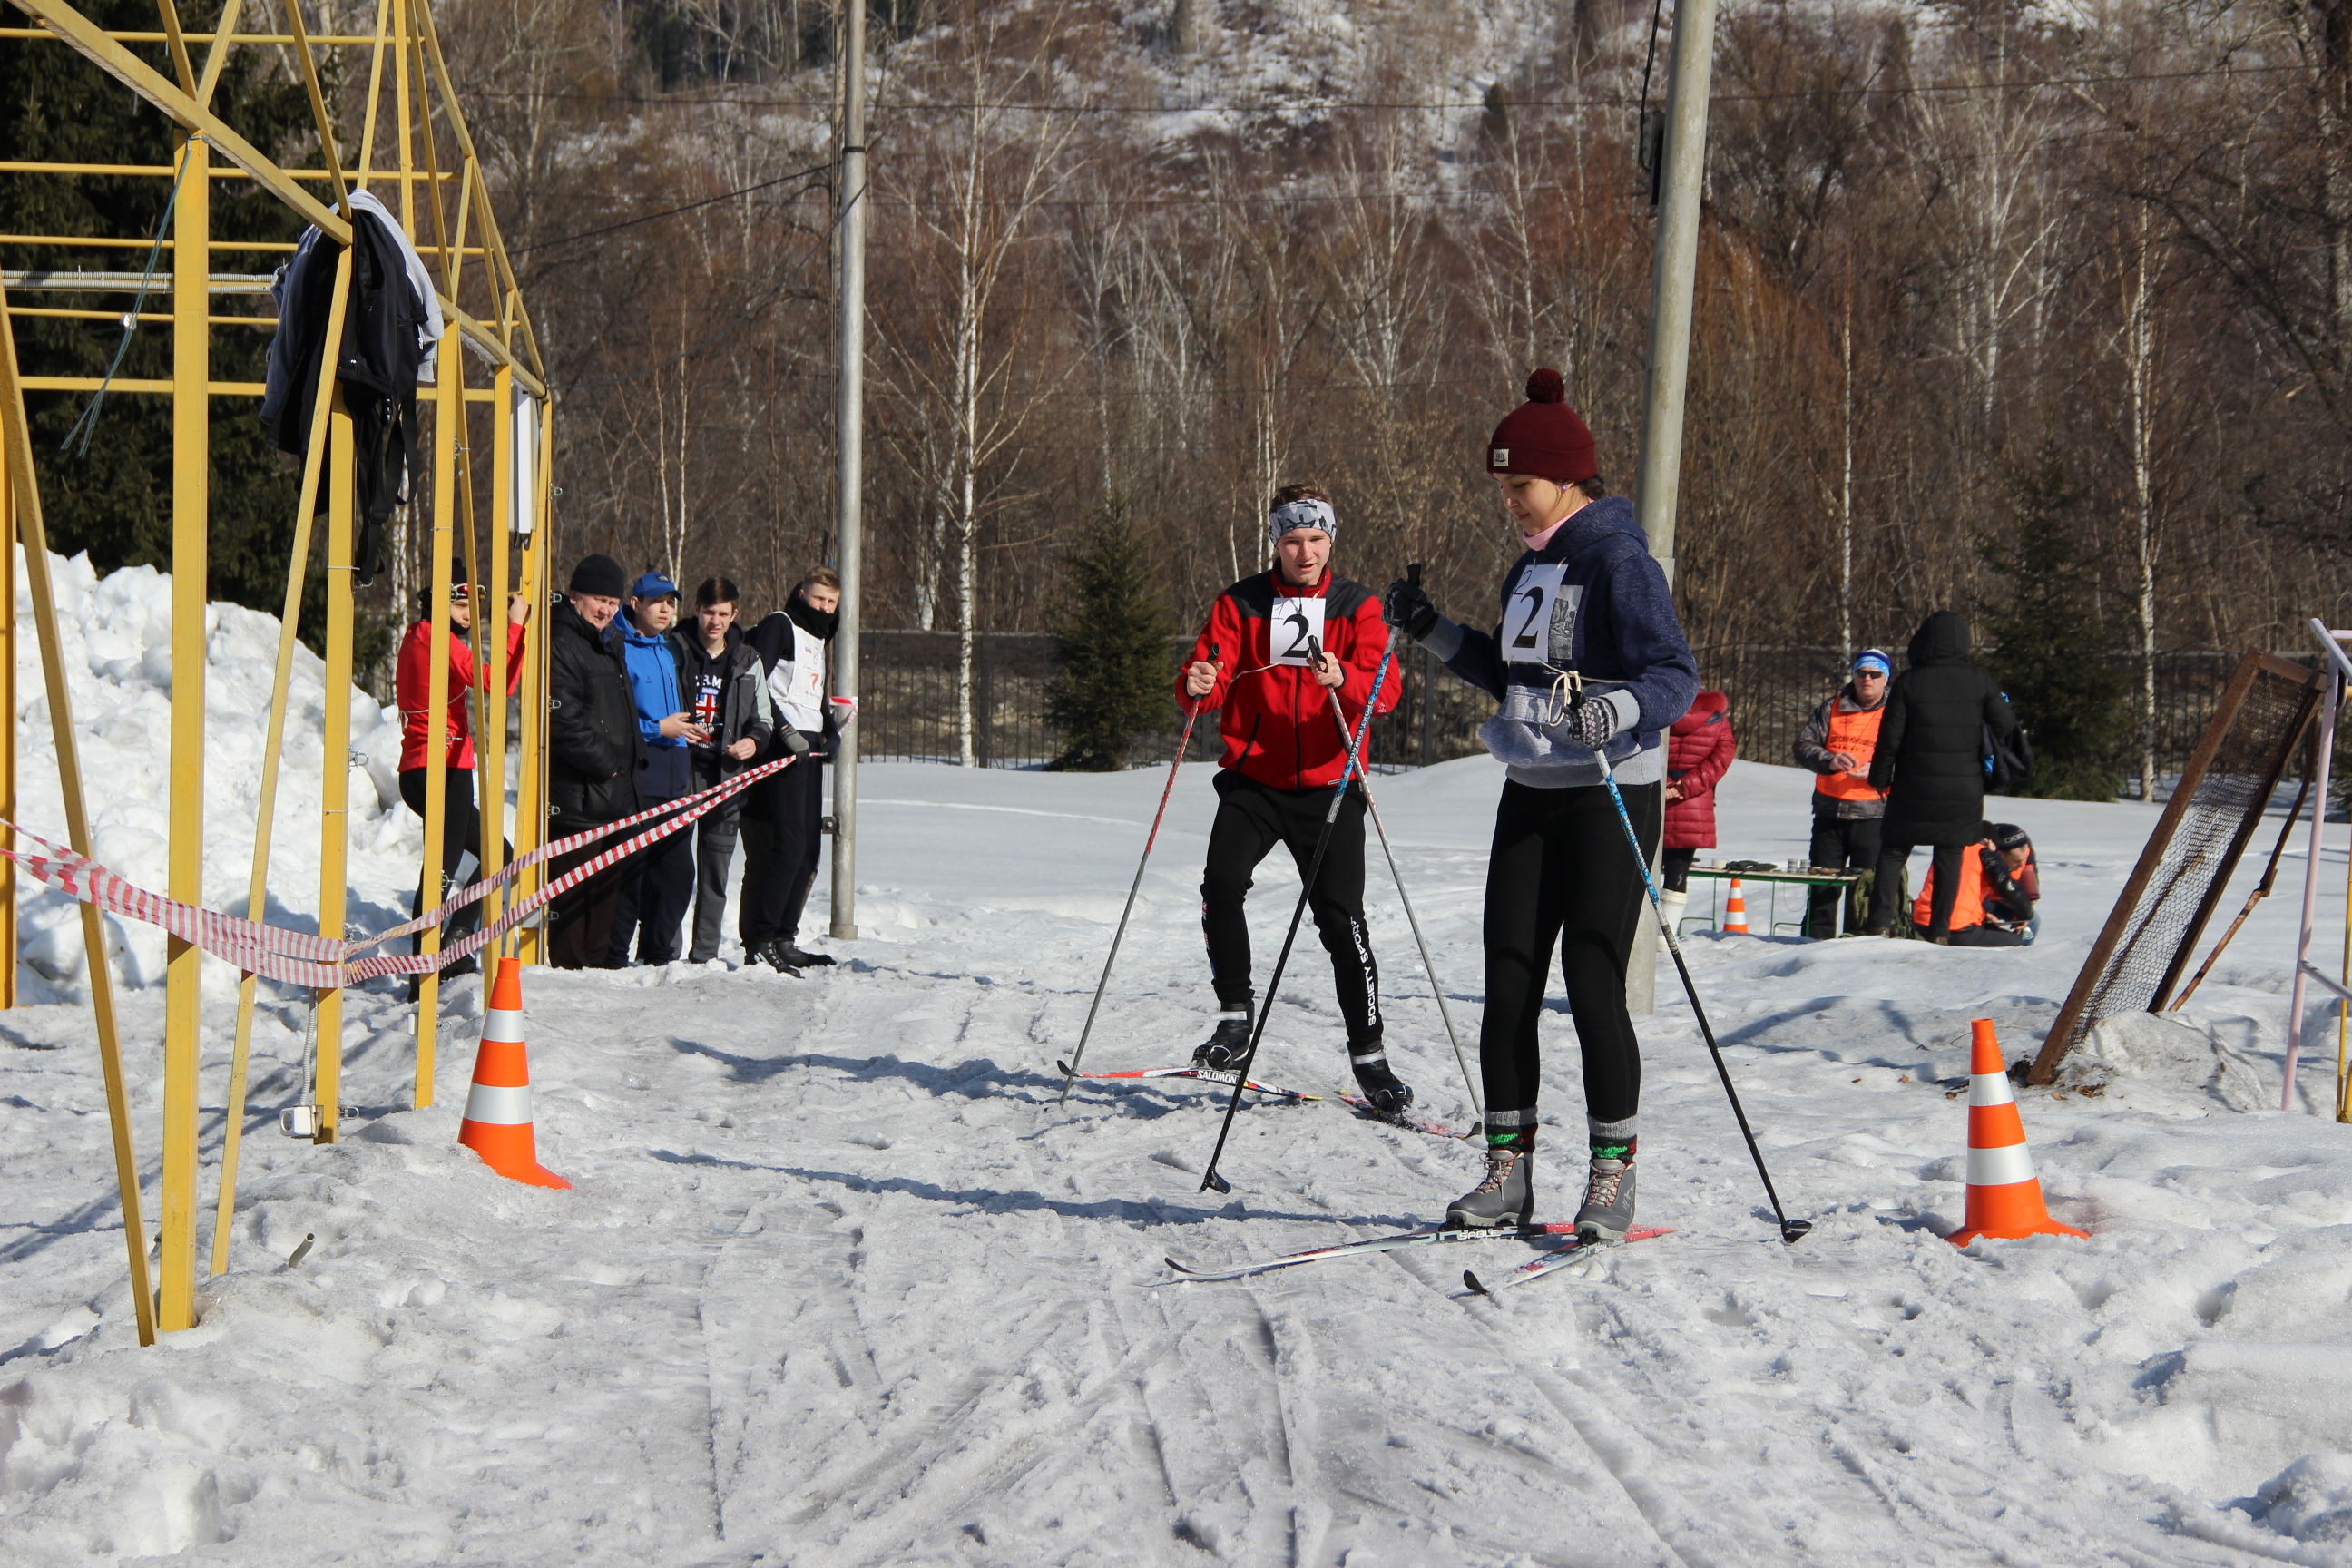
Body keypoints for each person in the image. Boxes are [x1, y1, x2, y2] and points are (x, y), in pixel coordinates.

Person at [1383, 368, 1697, 1240]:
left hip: (1606, 796)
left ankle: (1611, 1173)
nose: (1511, 503)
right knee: (1508, 987)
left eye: (1521, 486)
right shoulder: (1532, 567)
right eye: (1505, 489)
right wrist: (1434, 627)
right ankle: (1507, 1170)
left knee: (1594, 986)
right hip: (1529, 793)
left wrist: (1619, 707)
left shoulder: (1620, 560)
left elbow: (1674, 675)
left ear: (1568, 479)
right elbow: (1509, 673)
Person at [1178, 483, 1411, 1114]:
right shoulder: (1242, 603)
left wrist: (1348, 678)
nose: (1304, 552)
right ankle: (1234, 1019)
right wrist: (1197, 682)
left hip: (1331, 785)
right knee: (1220, 884)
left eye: (1314, 539)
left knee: (1341, 920)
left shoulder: (1356, 606)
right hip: (1255, 779)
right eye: (1291, 540)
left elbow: (1386, 689)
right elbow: (1210, 676)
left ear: (1330, 540)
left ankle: (1369, 1057)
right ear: (1275, 542)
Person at [395, 579, 529, 987]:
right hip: (443, 769)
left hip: (422, 768)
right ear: (438, 604)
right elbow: (496, 682)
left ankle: (454, 938)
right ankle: (424, 978)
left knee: (496, 854)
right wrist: (515, 627)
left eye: (473, 605)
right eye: (459, 604)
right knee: (441, 872)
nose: (468, 613)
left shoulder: (418, 636)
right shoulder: (437, 637)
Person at [1864, 612, 2022, 943]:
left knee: (1893, 851)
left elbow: (1889, 738)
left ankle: (1879, 924)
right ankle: (1939, 931)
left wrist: (1879, 778)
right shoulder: (1979, 680)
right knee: (1950, 854)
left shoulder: (1909, 681)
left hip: (1912, 785)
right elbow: (2005, 725)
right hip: (1963, 786)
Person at [545, 553, 644, 969]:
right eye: (597, 599)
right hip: (580, 798)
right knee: (573, 905)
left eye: (612, 602)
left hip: (611, 797)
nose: (605, 610)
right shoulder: (564, 643)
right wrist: (609, 767)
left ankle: (597, 980)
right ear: (574, 597)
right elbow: (565, 720)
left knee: (604, 901)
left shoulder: (606, 644)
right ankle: (569, 983)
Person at [740, 569, 840, 973]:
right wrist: (782, 731)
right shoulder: (780, 626)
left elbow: (814, 696)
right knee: (788, 844)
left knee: (809, 850)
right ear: (802, 594)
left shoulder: (818, 638)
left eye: (831, 602)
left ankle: (785, 935)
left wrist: (829, 732)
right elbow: (754, 680)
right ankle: (762, 937)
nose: (825, 608)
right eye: (818, 600)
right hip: (782, 747)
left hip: (809, 749)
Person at [671, 577, 774, 965]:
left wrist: (754, 742)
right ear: (696, 609)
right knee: (675, 871)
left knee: (715, 875)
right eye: (709, 612)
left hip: (727, 778)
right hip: (680, 775)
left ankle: (704, 955)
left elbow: (763, 718)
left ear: (735, 615)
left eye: (724, 614)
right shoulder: (673, 649)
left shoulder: (748, 659)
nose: (715, 621)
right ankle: (663, 951)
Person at [608, 571, 705, 966]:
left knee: (679, 874)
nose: (666, 609)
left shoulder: (671, 649)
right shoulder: (618, 648)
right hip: (640, 771)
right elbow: (617, 718)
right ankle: (614, 956)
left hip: (676, 771)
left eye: (671, 602)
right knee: (632, 869)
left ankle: (656, 952)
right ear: (636, 605)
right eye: (656, 601)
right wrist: (657, 728)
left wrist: (686, 731)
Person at [1793, 649, 1892, 938]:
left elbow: (1911, 758)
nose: (1867, 680)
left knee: (1864, 890)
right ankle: (1814, 944)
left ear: (1886, 679)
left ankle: (1857, 948)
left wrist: (1879, 770)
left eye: (1875, 675)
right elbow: (1802, 745)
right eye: (1862, 673)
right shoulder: (1832, 707)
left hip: (1873, 815)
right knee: (1822, 888)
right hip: (1829, 812)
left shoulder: (1895, 712)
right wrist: (1829, 760)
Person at [1661, 688, 1733, 926]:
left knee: (1639, 870)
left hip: (1653, 798)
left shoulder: (1658, 711)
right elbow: (1720, 761)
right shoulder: (1718, 720)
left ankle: (1639, 932)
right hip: (1694, 806)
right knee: (1677, 874)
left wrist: (1666, 785)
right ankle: (1665, 933)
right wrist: (1684, 786)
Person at [1914, 822, 2041, 946]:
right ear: (1991, 844)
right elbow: (2007, 886)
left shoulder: (1949, 851)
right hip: (1957, 928)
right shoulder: (1985, 854)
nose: (2021, 865)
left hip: (1921, 920)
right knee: (2016, 941)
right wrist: (2026, 914)